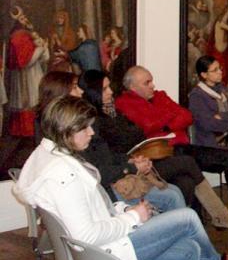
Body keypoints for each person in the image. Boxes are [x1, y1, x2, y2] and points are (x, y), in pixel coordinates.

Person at [12, 95, 228, 260]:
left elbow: (95, 208)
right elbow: (87, 235)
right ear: (65, 130)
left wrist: (123, 210)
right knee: (187, 218)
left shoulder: (45, 155)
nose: (91, 132)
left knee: (189, 250)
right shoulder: (64, 176)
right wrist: (133, 218)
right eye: (84, 128)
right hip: (102, 256)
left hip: (98, 248)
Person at [34, 71, 185, 214]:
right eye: (74, 87)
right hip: (106, 193)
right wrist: (130, 167)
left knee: (179, 186)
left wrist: (129, 160)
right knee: (173, 194)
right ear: (61, 93)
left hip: (112, 179)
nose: (81, 91)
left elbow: (106, 154)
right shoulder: (72, 131)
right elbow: (96, 172)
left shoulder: (78, 124)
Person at [79, 69, 215, 214]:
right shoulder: (116, 108)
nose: (111, 92)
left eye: (109, 87)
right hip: (133, 166)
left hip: (145, 156)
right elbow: (143, 129)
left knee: (185, 181)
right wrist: (168, 117)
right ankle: (214, 215)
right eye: (105, 89)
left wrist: (162, 123)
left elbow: (187, 116)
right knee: (186, 163)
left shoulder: (117, 110)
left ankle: (191, 220)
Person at [115, 66, 228, 205]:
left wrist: (166, 125)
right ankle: (210, 214)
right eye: (147, 83)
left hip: (182, 147)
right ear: (132, 87)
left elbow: (187, 116)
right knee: (186, 182)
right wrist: (170, 114)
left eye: (151, 81)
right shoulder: (124, 103)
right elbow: (148, 125)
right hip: (160, 154)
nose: (153, 85)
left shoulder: (160, 96)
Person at [6, 6, 49, 137]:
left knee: (35, 99)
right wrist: (41, 49)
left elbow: (43, 58)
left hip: (33, 72)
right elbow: (26, 60)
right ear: (18, 21)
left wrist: (43, 48)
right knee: (28, 101)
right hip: (25, 75)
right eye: (22, 19)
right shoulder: (18, 36)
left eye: (25, 18)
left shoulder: (29, 34)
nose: (25, 20)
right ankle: (26, 130)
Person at [188, 56, 228, 149]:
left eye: (220, 68)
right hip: (209, 146)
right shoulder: (197, 96)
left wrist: (222, 116)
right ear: (204, 75)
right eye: (215, 70)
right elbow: (208, 124)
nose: (220, 72)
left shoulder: (224, 90)